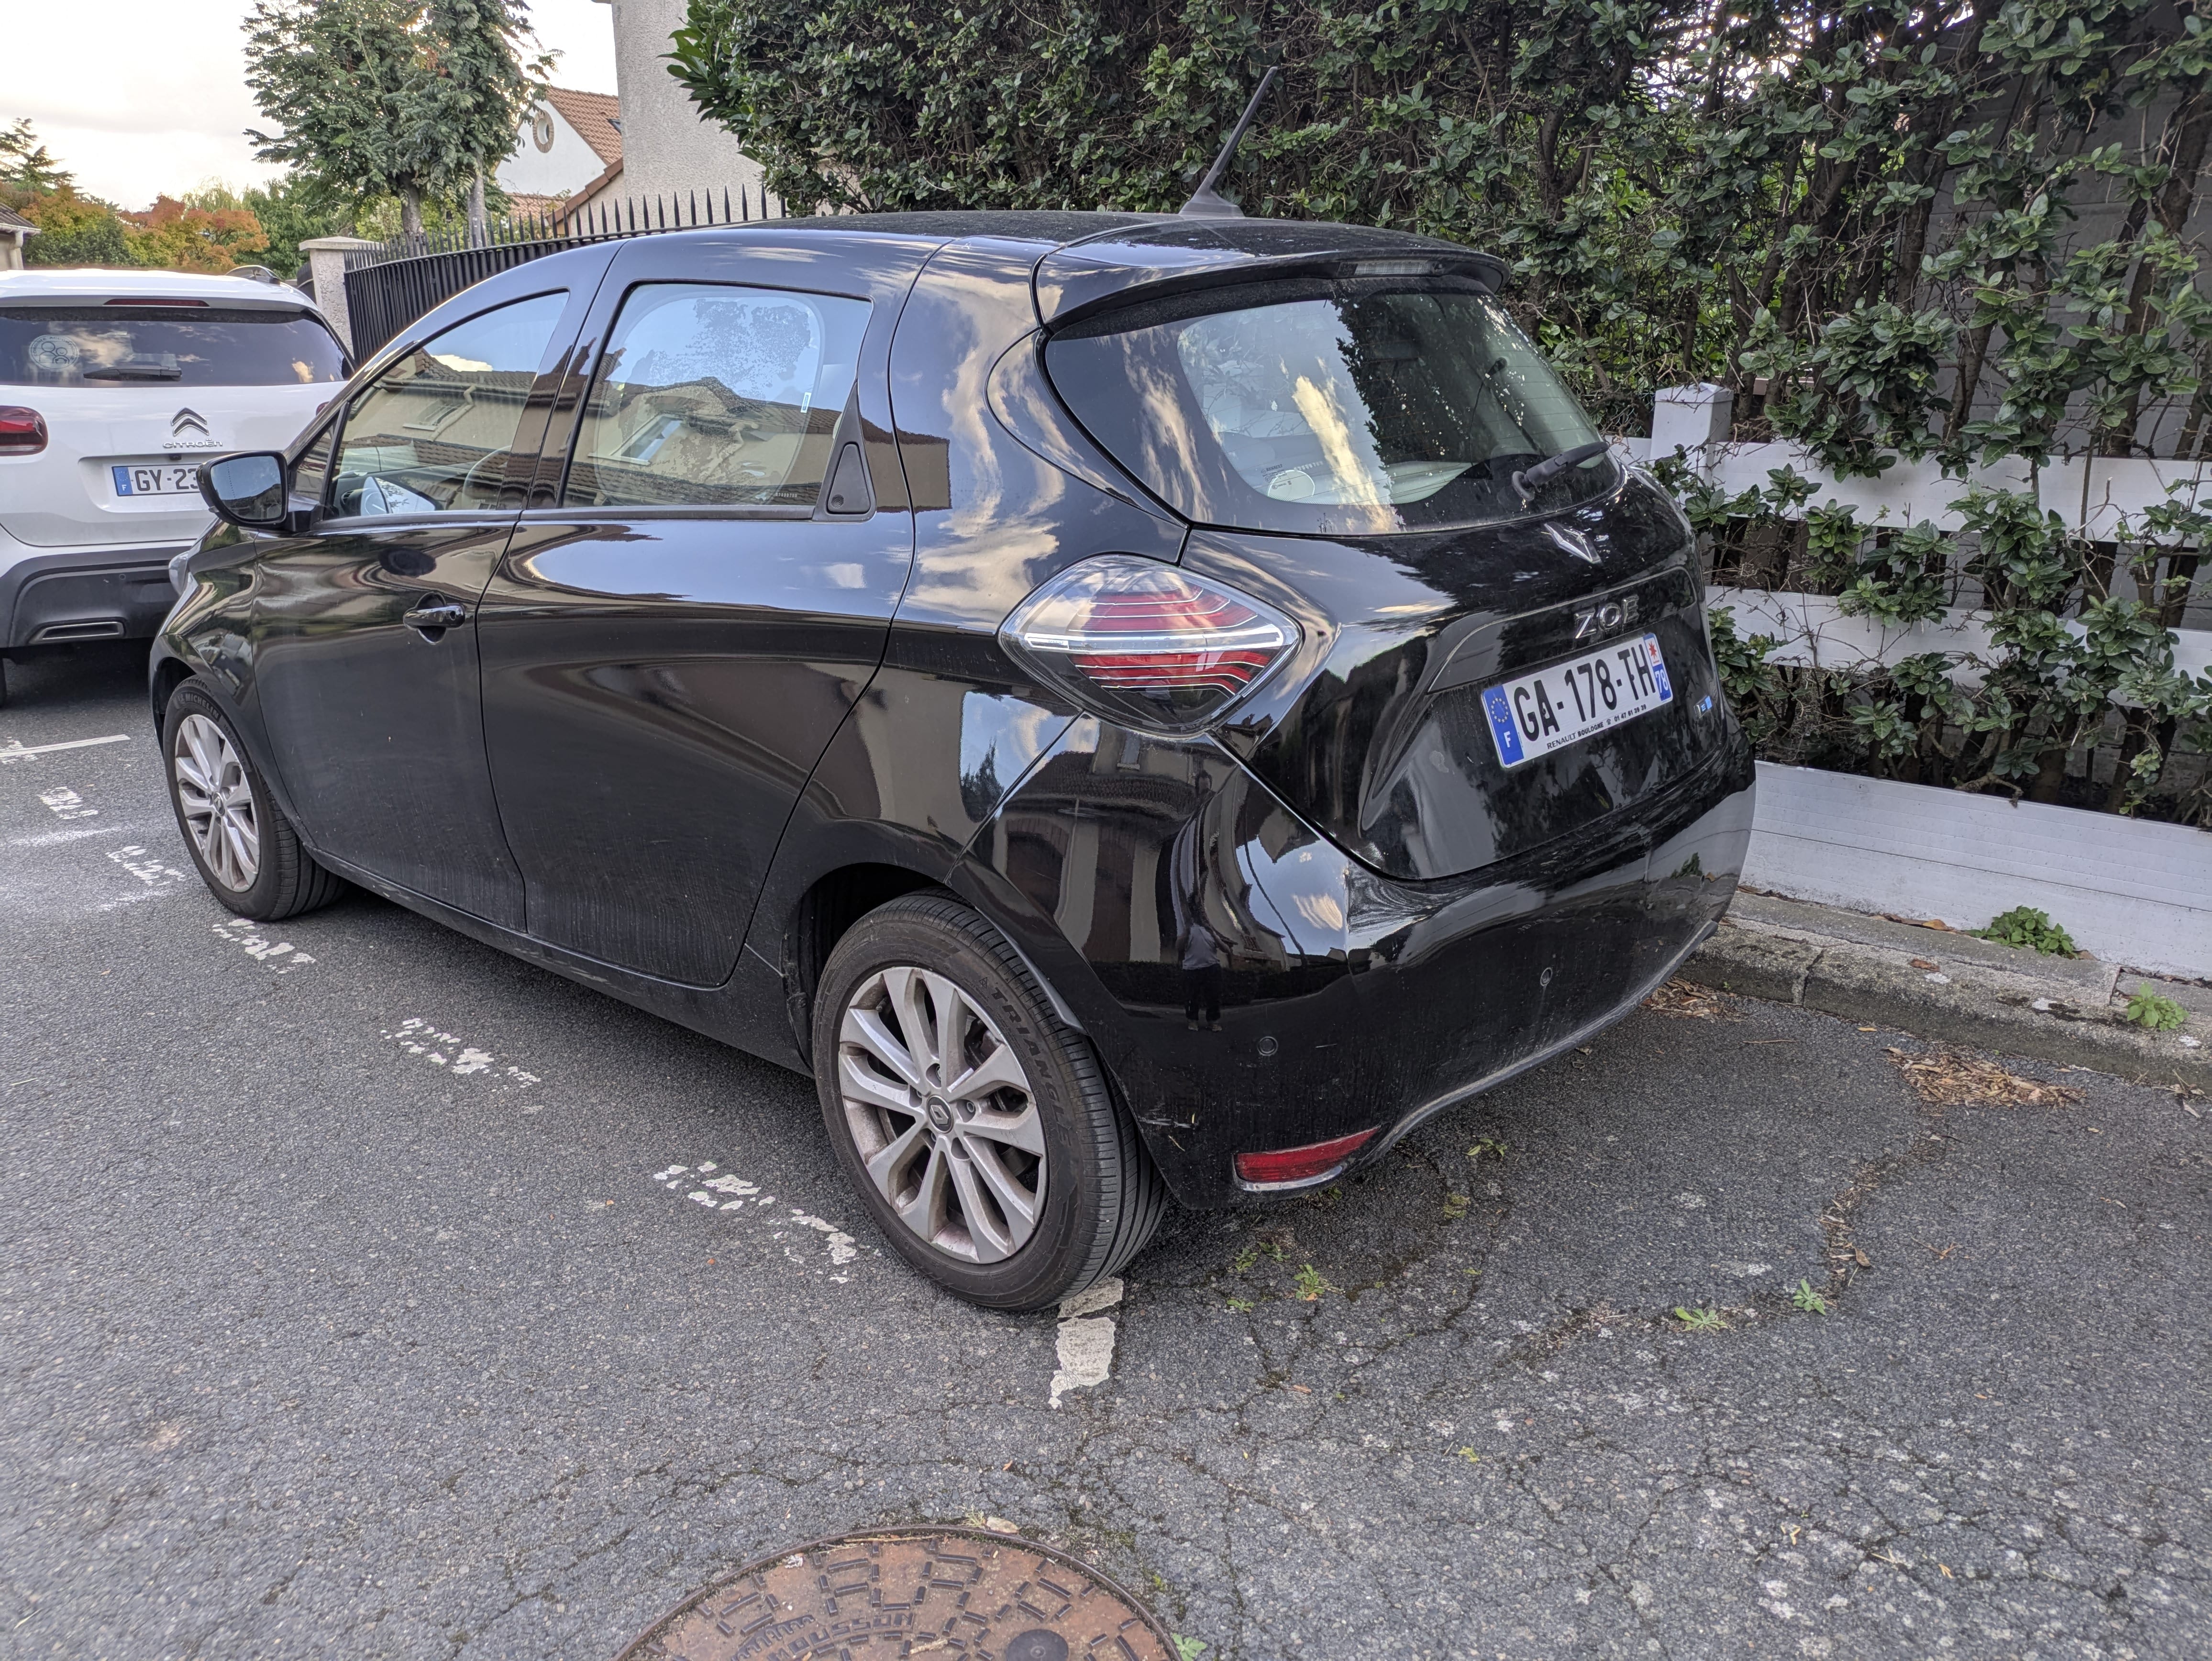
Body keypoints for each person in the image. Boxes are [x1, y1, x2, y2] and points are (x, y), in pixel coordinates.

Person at [1180, 914, 1222, 1031]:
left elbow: (1225, 949)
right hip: (1191, 969)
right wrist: (1187, 932)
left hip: (1212, 967)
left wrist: (1213, 933)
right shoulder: (1187, 931)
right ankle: (1192, 1021)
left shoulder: (1211, 932)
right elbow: (1178, 946)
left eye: (1204, 920)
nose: (1202, 921)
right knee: (1191, 997)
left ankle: (1213, 1022)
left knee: (1214, 997)